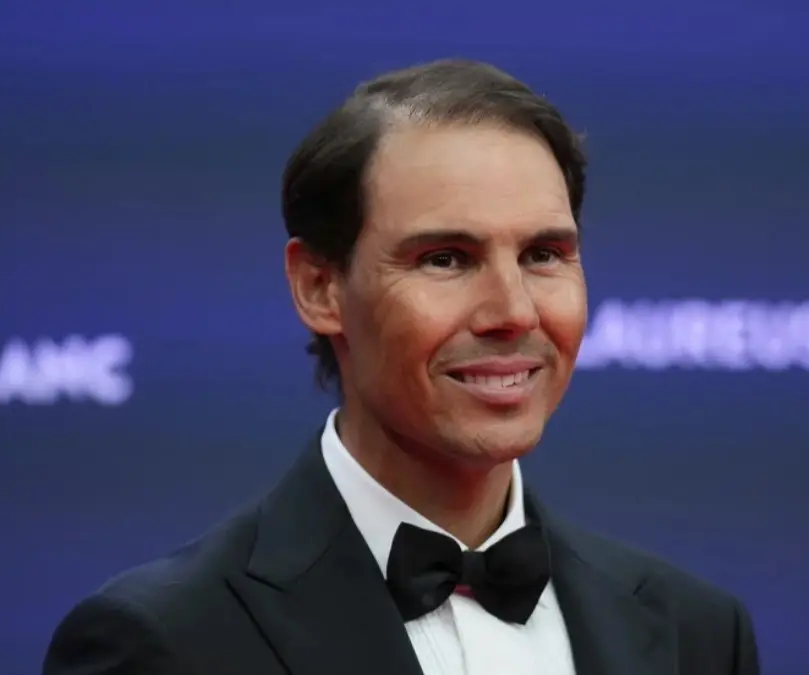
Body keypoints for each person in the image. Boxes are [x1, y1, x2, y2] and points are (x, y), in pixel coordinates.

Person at [42, 59, 760, 675]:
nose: (512, 310)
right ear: (320, 287)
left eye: (544, 254)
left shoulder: (695, 636)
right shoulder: (165, 642)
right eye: (445, 258)